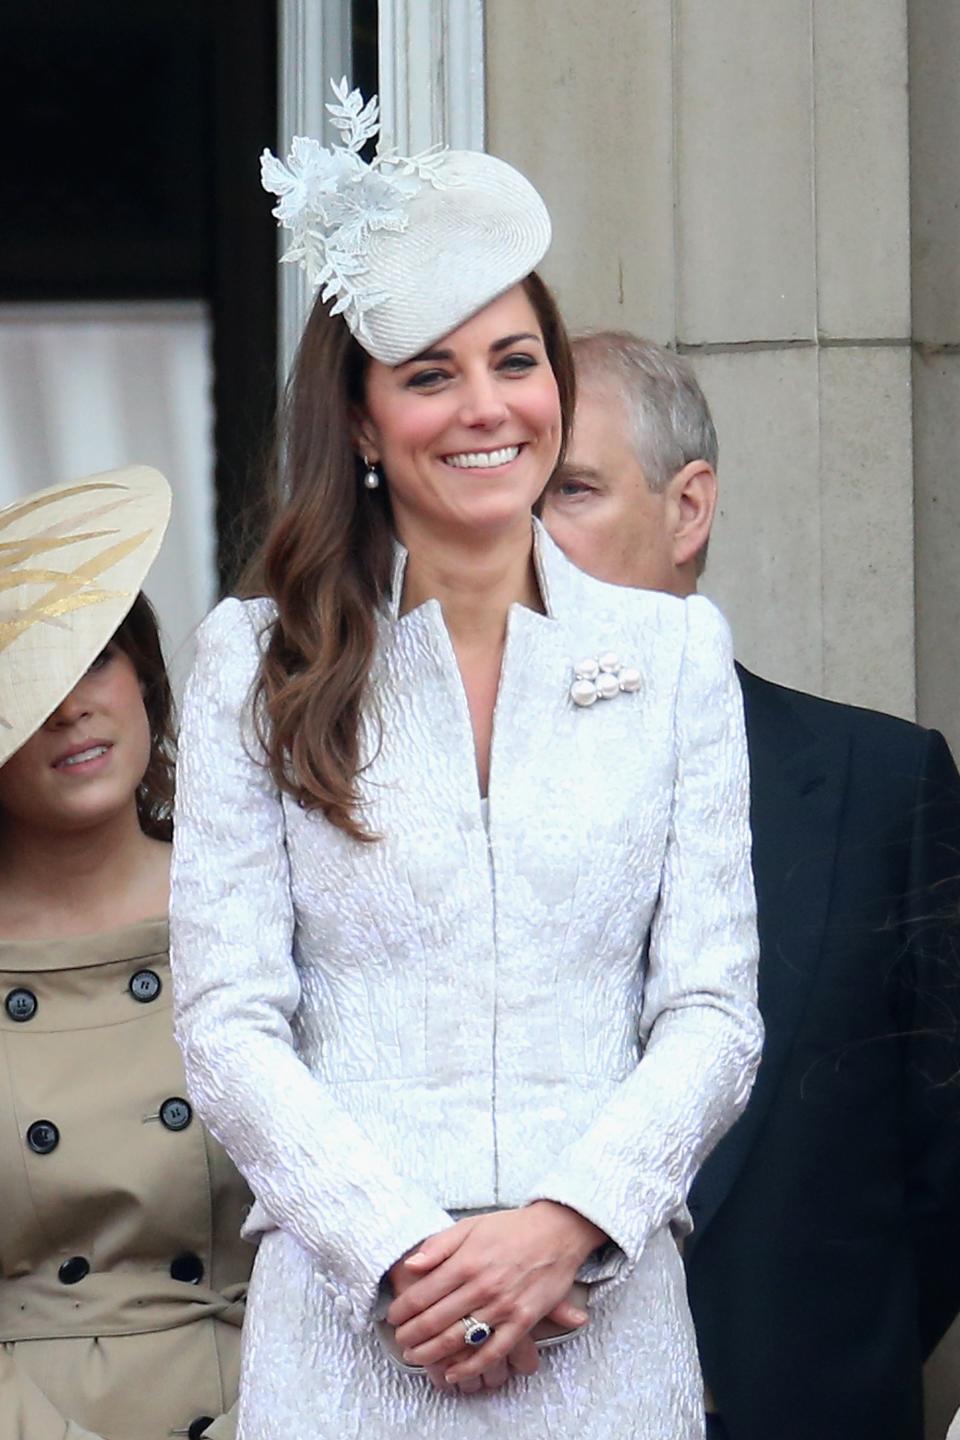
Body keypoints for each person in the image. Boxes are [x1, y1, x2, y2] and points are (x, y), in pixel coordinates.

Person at [169, 83, 763, 1440]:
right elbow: (228, 1021)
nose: (486, 407)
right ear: (366, 425)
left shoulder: (674, 656)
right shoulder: (253, 659)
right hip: (346, 1337)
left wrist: (566, 1225)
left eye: (516, 360)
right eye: (431, 373)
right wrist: (400, 1256)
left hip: (603, 1328)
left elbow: (715, 1012)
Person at [540, 331, 960, 1440]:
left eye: (571, 491)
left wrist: (819, 1367)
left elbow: (945, 1173)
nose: (529, 538)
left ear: (689, 511)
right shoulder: (427, 801)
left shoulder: (880, 788)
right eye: (513, 500)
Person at [0, 467, 253, 1440]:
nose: (72, 706)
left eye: (98, 656)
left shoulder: (261, 907)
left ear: (146, 676)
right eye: (26, 674)